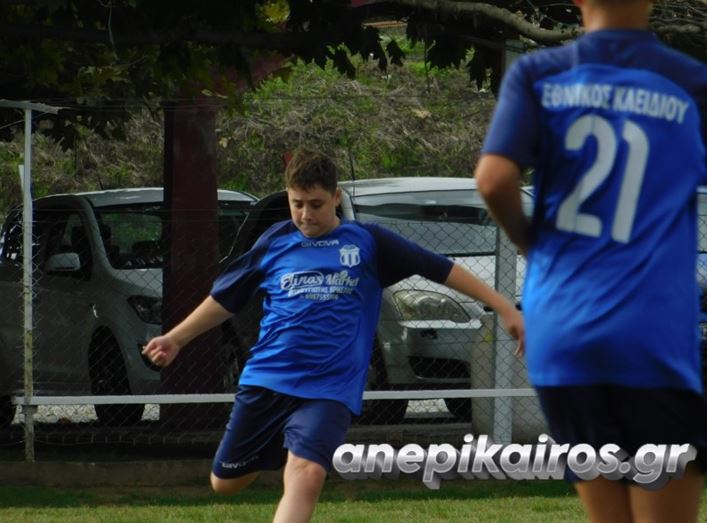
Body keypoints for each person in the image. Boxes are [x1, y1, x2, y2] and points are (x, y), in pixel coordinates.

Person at [143, 148, 524, 523]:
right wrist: (176, 338)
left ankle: (298, 447)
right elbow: (225, 299)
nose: (306, 215)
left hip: (330, 387)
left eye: (316, 204)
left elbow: (439, 268)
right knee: (225, 482)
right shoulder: (275, 242)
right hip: (267, 380)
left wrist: (504, 307)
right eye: (297, 204)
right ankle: (277, 444)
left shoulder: (368, 242)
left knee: (308, 474)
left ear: (336, 197)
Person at [474, 0, 707, 521]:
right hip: (649, 333)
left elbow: (492, 178)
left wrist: (532, 246)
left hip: (563, 329)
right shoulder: (689, 82)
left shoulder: (539, 73)